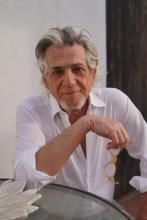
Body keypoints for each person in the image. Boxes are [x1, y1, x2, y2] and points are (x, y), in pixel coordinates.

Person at [13, 26, 147, 219]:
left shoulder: (116, 102)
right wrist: (86, 123)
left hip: (105, 214)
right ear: (44, 78)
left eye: (77, 69)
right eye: (58, 72)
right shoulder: (30, 111)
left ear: (93, 71)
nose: (69, 81)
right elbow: (26, 180)